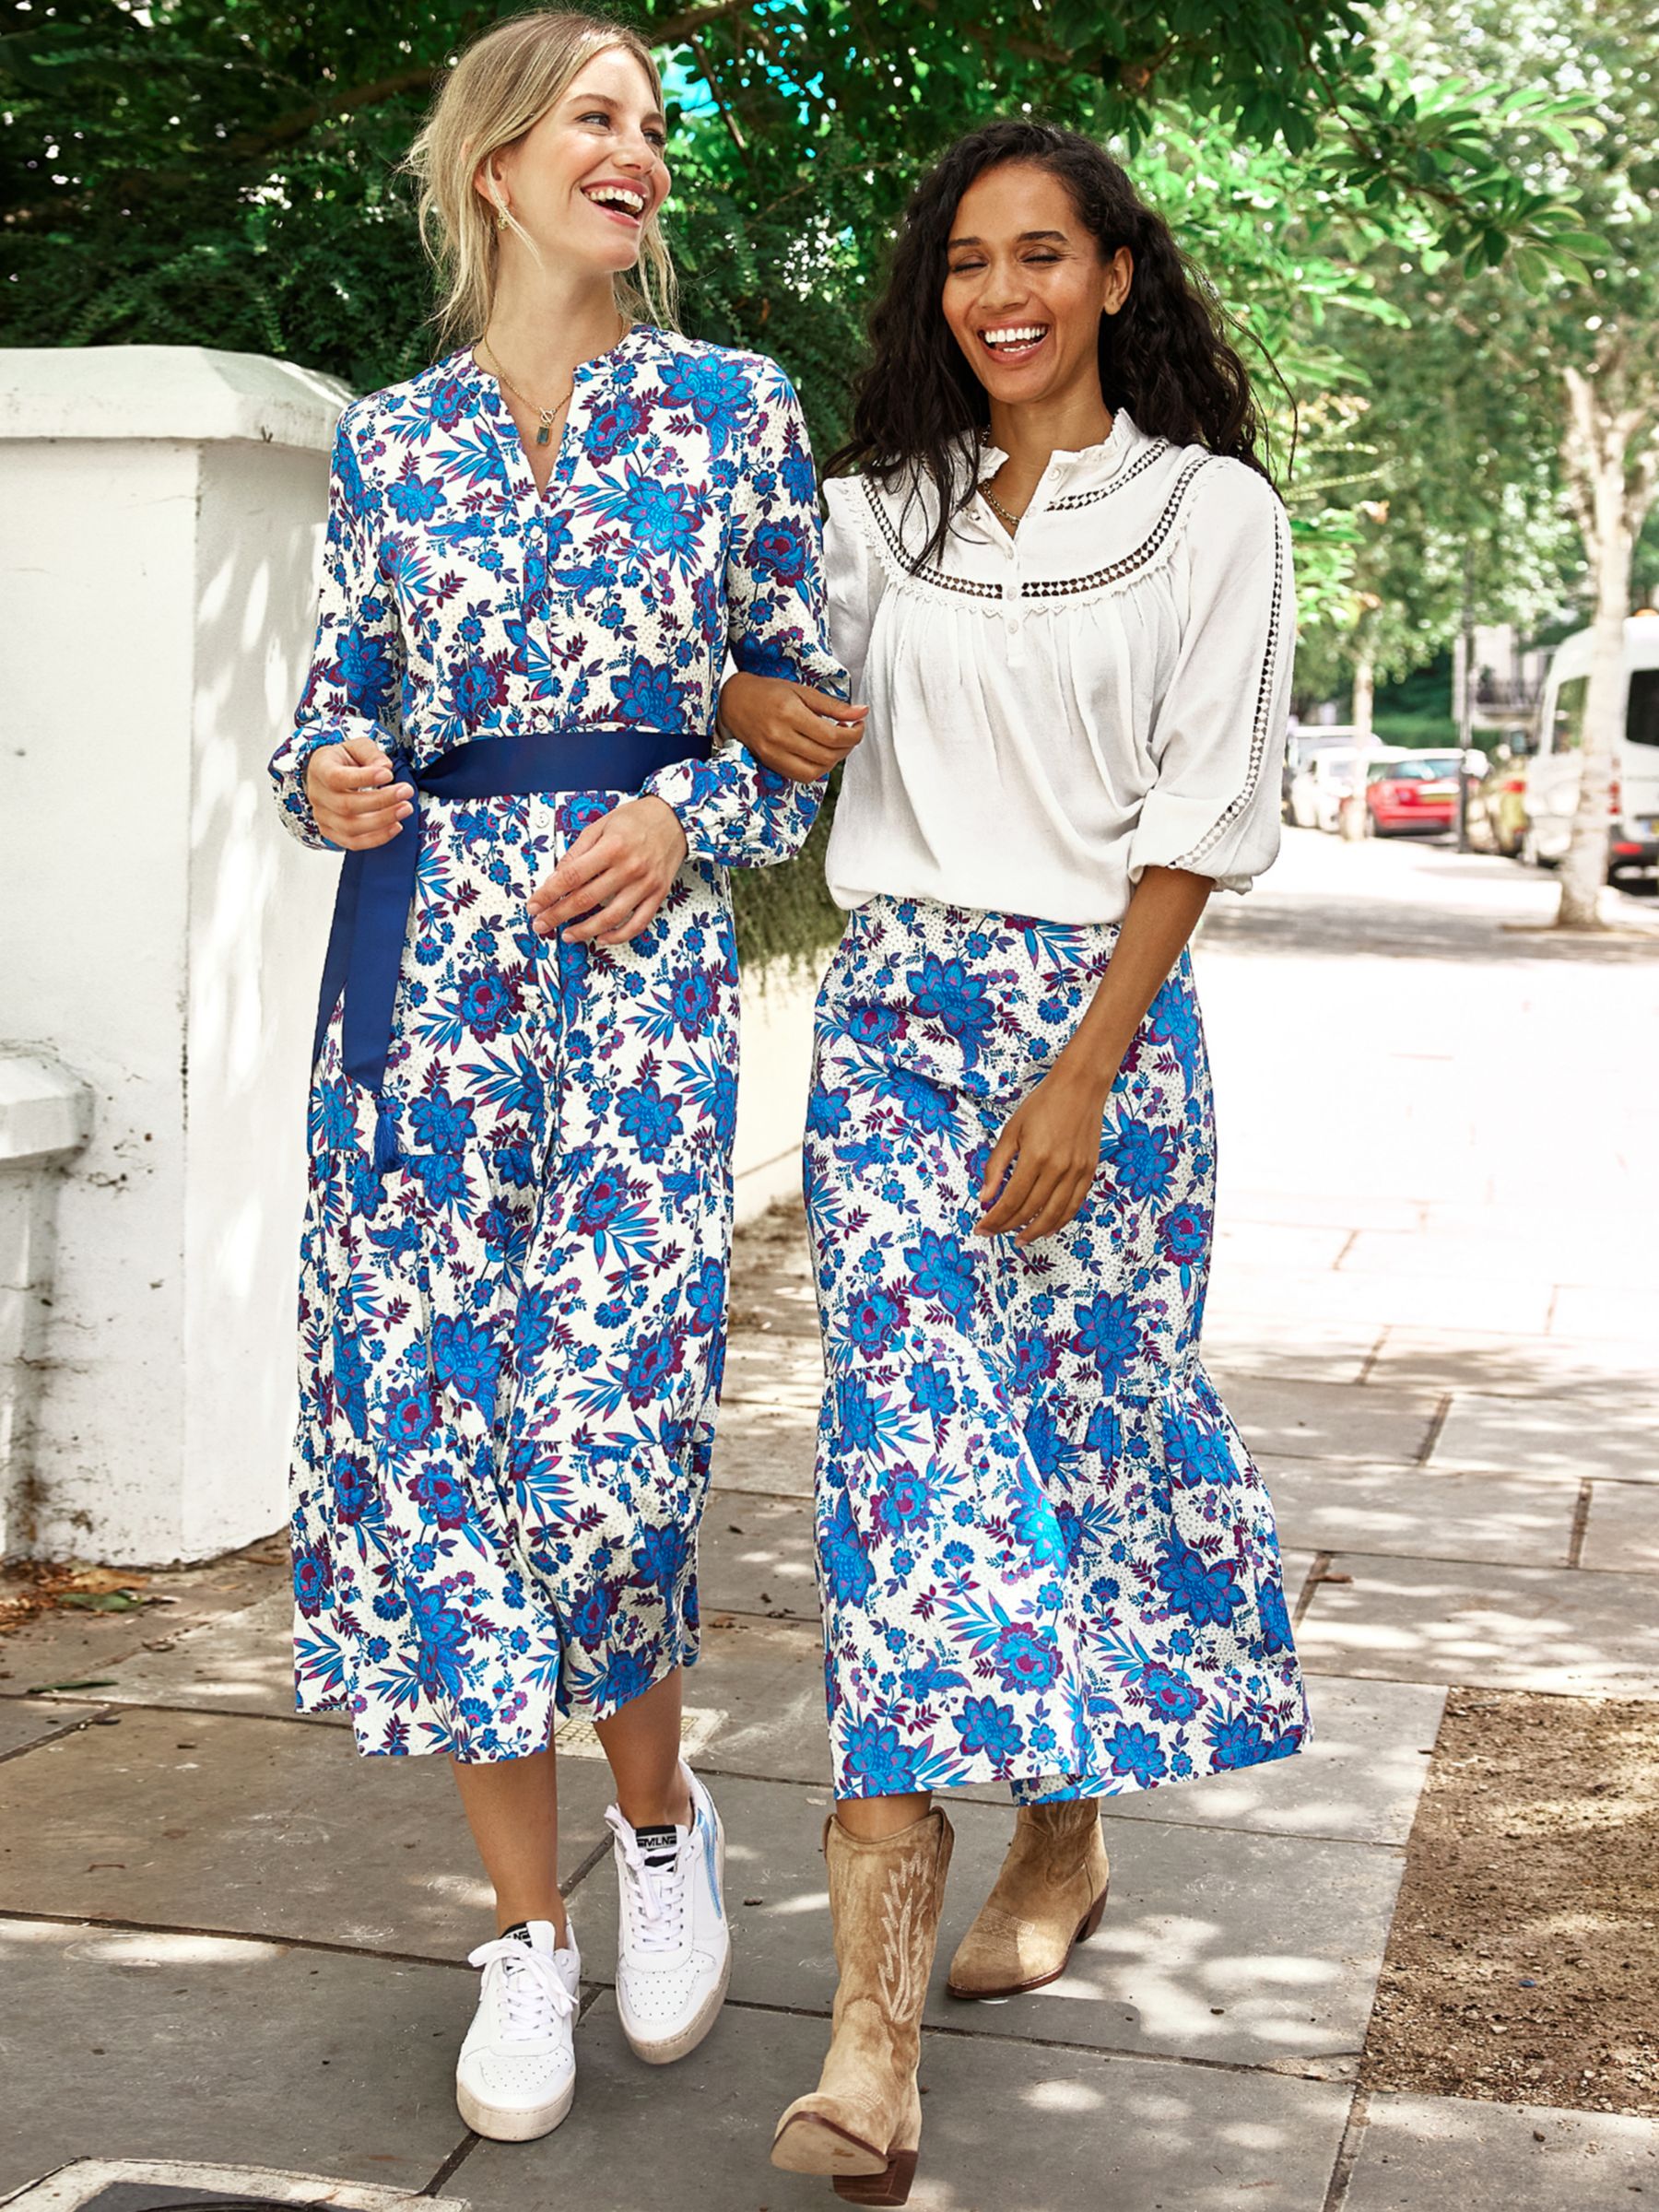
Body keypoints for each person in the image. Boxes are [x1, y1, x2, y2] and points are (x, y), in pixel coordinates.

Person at [267, 7, 849, 2146]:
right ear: (497, 165)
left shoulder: (730, 413)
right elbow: (332, 710)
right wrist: (323, 777)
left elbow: (809, 724)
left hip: (630, 991)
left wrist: (694, 811)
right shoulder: (390, 441)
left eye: (651, 125)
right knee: (431, 1459)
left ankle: (663, 1822)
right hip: (417, 998)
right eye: (594, 120)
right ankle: (522, 1937)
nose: (638, 153)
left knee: (605, 1445)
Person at [720, 119, 1312, 2206]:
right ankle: (870, 2043)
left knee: (1071, 1447)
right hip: (891, 1024)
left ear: (1118, 280)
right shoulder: (878, 514)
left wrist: (1080, 1068)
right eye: (967, 258)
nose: (1003, 293)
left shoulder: (1212, 514)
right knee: (907, 1471)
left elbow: (1200, 806)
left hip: (1106, 1034)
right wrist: (749, 697)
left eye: (1044, 253)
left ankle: (1066, 1823)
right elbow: (745, 663)